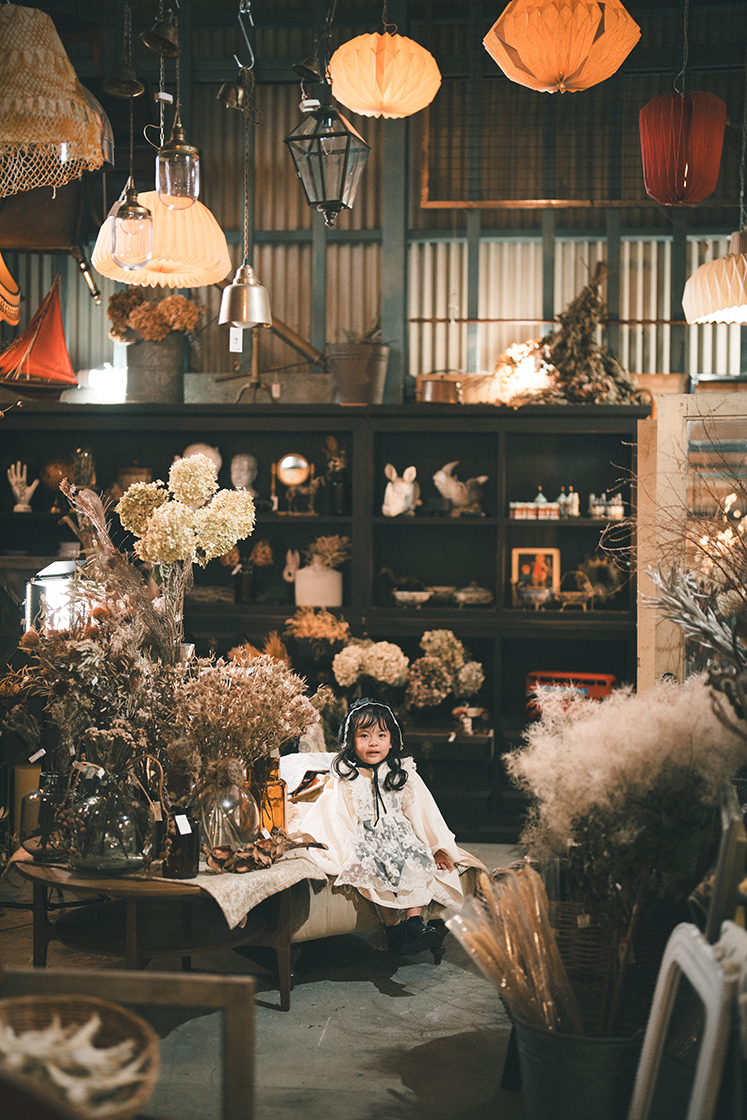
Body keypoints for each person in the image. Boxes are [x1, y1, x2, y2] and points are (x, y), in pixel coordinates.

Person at [301, 698, 464, 955]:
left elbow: (423, 810)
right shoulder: (348, 777)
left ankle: (415, 922)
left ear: (392, 740)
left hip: (400, 834)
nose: (373, 742)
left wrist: (438, 846)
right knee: (374, 867)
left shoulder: (401, 773)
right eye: (364, 735)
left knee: (416, 859)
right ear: (351, 741)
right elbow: (337, 814)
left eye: (381, 735)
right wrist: (345, 850)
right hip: (366, 837)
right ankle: (393, 927)